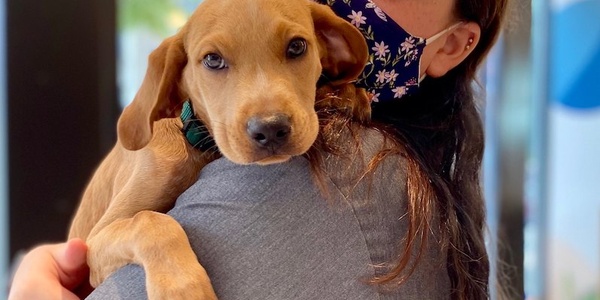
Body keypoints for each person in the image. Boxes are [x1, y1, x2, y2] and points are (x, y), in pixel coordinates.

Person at [9, 0, 510, 299]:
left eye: (295, 49)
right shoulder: (167, 153)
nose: (266, 115)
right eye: (215, 61)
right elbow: (94, 252)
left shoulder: (349, 175)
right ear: (175, 81)